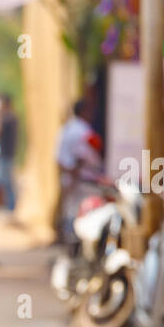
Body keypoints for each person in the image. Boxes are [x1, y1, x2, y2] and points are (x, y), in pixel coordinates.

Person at [55, 97, 105, 243]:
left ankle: (70, 244)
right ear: (84, 111)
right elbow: (81, 157)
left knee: (70, 211)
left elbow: (59, 158)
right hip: (83, 180)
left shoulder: (66, 129)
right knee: (83, 213)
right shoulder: (84, 131)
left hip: (70, 177)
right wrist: (75, 175)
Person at [0, 93, 19, 213]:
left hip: (5, 153)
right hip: (9, 153)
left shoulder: (6, 118)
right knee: (7, 180)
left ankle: (10, 206)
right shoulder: (13, 117)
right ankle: (10, 206)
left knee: (5, 180)